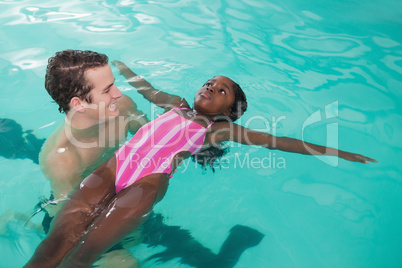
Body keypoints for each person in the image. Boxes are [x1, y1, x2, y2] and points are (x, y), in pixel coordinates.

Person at [25, 62, 376, 268]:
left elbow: (279, 142)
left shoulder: (219, 129)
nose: (212, 86)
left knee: (85, 254)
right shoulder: (175, 104)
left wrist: (339, 152)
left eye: (222, 90)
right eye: (211, 82)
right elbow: (147, 90)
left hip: (146, 184)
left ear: (227, 110)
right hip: (113, 168)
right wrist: (124, 70)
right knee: (56, 241)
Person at [37, 50, 148, 267]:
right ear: (78, 104)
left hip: (112, 191)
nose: (117, 93)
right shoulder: (62, 158)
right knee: (126, 263)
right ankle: (21, 220)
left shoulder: (121, 106)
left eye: (114, 84)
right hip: (70, 214)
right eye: (107, 90)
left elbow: (150, 138)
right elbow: (73, 225)